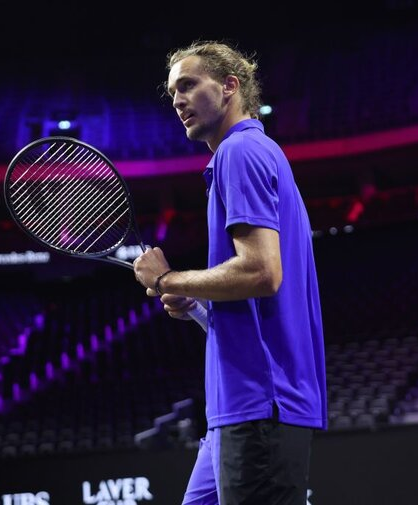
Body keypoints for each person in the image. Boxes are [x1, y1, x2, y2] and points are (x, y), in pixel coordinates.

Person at [133, 40, 327, 505]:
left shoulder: (239, 152)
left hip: (261, 404)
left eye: (188, 85)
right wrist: (199, 306)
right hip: (236, 409)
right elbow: (257, 302)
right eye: (172, 91)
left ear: (229, 87)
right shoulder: (255, 153)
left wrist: (166, 280)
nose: (177, 100)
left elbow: (262, 272)